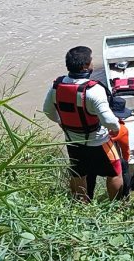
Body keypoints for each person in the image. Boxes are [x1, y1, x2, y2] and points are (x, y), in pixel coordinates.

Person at [42, 46, 123, 201]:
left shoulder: (56, 87)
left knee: (79, 174)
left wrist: (61, 122)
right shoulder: (94, 90)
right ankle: (116, 207)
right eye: (92, 60)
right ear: (86, 66)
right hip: (99, 141)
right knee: (115, 172)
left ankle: (81, 206)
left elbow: (47, 111)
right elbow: (109, 121)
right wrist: (115, 129)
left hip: (73, 141)